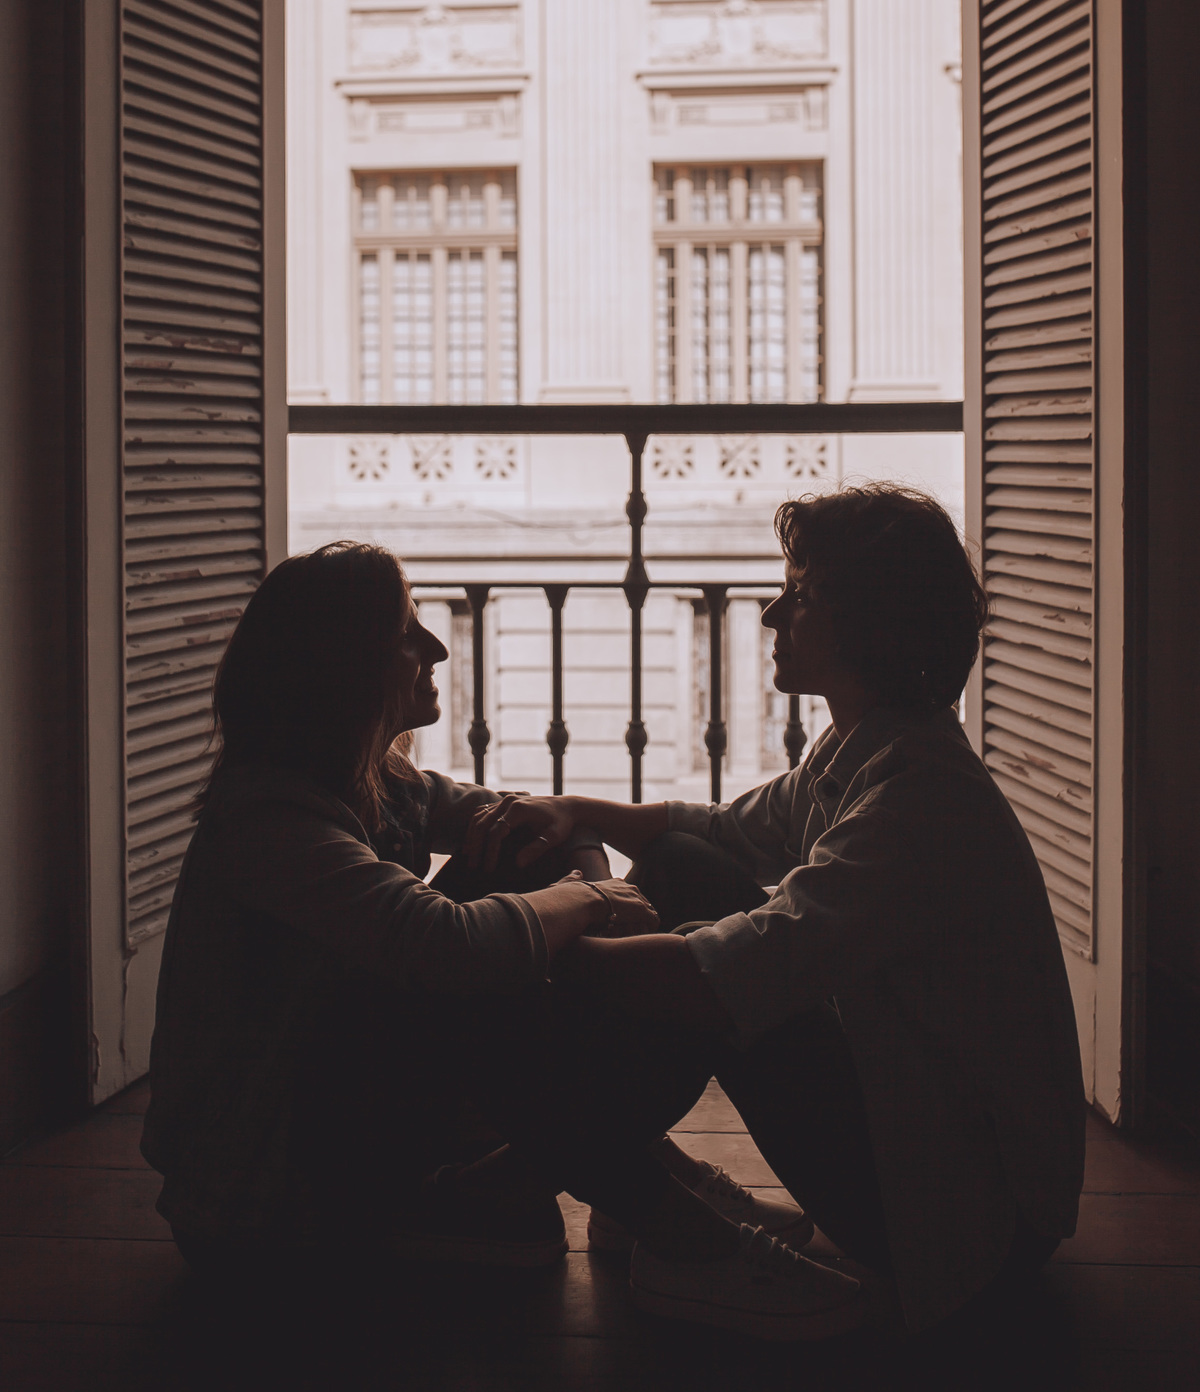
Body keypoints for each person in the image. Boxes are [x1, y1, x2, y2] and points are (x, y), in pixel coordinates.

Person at [142, 541, 865, 1343]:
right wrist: (588, 902)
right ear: (345, 666)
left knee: (665, 866)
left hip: (346, 1125)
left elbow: (528, 822)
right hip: (268, 1211)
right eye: (408, 633)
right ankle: (674, 1228)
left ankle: (627, 1177)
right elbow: (446, 945)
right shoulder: (268, 823)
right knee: (487, 961)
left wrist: (590, 897)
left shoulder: (373, 783)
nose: (437, 647)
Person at [465, 485, 1088, 1333]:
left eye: (800, 594)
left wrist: (537, 940)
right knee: (684, 867)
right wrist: (577, 812)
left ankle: (630, 1203)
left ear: (869, 621)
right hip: (936, 1152)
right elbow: (722, 833)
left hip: (967, 1223)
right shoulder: (874, 745)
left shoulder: (920, 801)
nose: (769, 613)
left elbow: (721, 978)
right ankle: (619, 1179)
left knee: (701, 965)